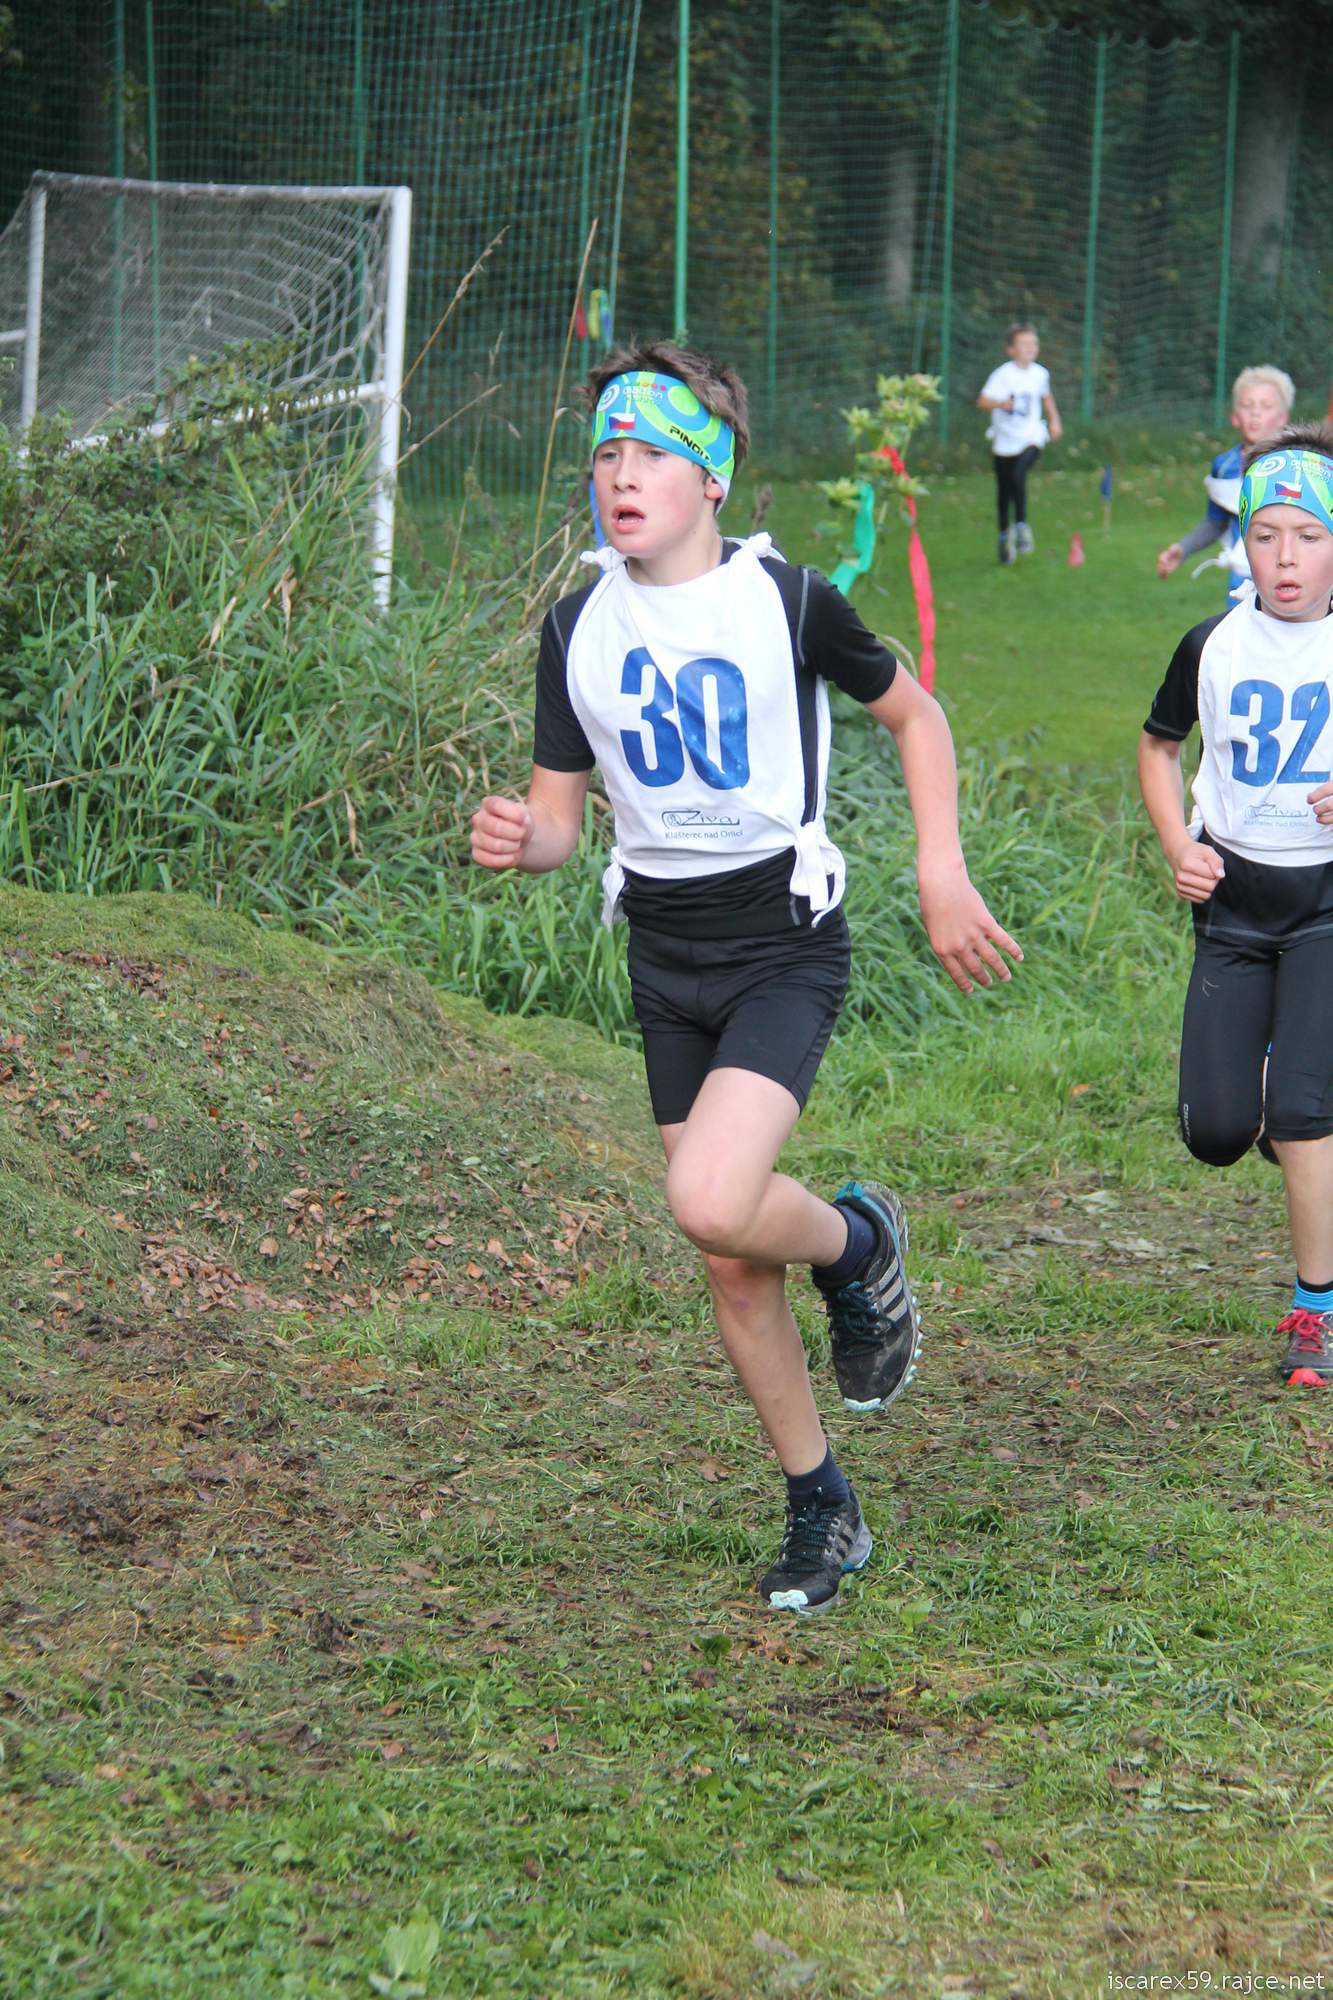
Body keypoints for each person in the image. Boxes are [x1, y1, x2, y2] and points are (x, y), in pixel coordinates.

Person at [471, 341, 1021, 1611]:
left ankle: (856, 1241)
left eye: (651, 452)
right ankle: (821, 1500)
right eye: (605, 453)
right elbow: (561, 821)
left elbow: (917, 716)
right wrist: (520, 836)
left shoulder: (788, 599)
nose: (621, 475)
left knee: (711, 1198)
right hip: (663, 955)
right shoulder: (576, 627)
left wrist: (940, 867)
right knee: (725, 1251)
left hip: (781, 940)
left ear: (712, 474)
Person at [1138, 423, 1333, 1388]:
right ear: (1242, 542)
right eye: (1264, 536)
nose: (1284, 558)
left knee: (1301, 1116)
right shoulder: (1209, 644)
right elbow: (1158, 745)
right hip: (1233, 907)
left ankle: (1314, 1311)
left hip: (1326, 904)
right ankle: (1276, 1087)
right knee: (1216, 1132)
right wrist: (1179, 845)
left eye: (1308, 535)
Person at [1156, 366, 1296, 603]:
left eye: (1266, 406)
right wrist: (1183, 548)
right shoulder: (1224, 467)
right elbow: (1216, 521)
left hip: (1291, 579)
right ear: (1234, 417)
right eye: (1247, 405)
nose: (1255, 413)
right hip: (1242, 583)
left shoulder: (1300, 464)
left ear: (1283, 417)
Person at [976, 322, 1062, 565]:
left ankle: (1022, 526)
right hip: (1005, 441)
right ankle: (1005, 536)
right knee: (1004, 493)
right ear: (1011, 350)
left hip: (1031, 436)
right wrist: (1001, 404)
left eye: (1033, 343)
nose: (1030, 348)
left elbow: (1046, 397)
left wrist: (1055, 421)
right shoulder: (1002, 375)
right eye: (1024, 344)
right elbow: (982, 402)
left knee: (1018, 475)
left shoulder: (1040, 373)